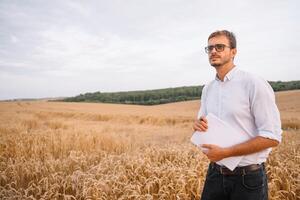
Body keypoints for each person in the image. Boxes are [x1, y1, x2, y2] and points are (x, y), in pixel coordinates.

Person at [193, 30, 282, 200]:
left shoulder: (253, 83)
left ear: (233, 52)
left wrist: (226, 152)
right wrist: (198, 125)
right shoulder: (208, 89)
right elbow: (202, 124)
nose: (213, 51)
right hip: (215, 175)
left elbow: (273, 137)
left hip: (247, 178)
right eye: (210, 48)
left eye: (219, 47)